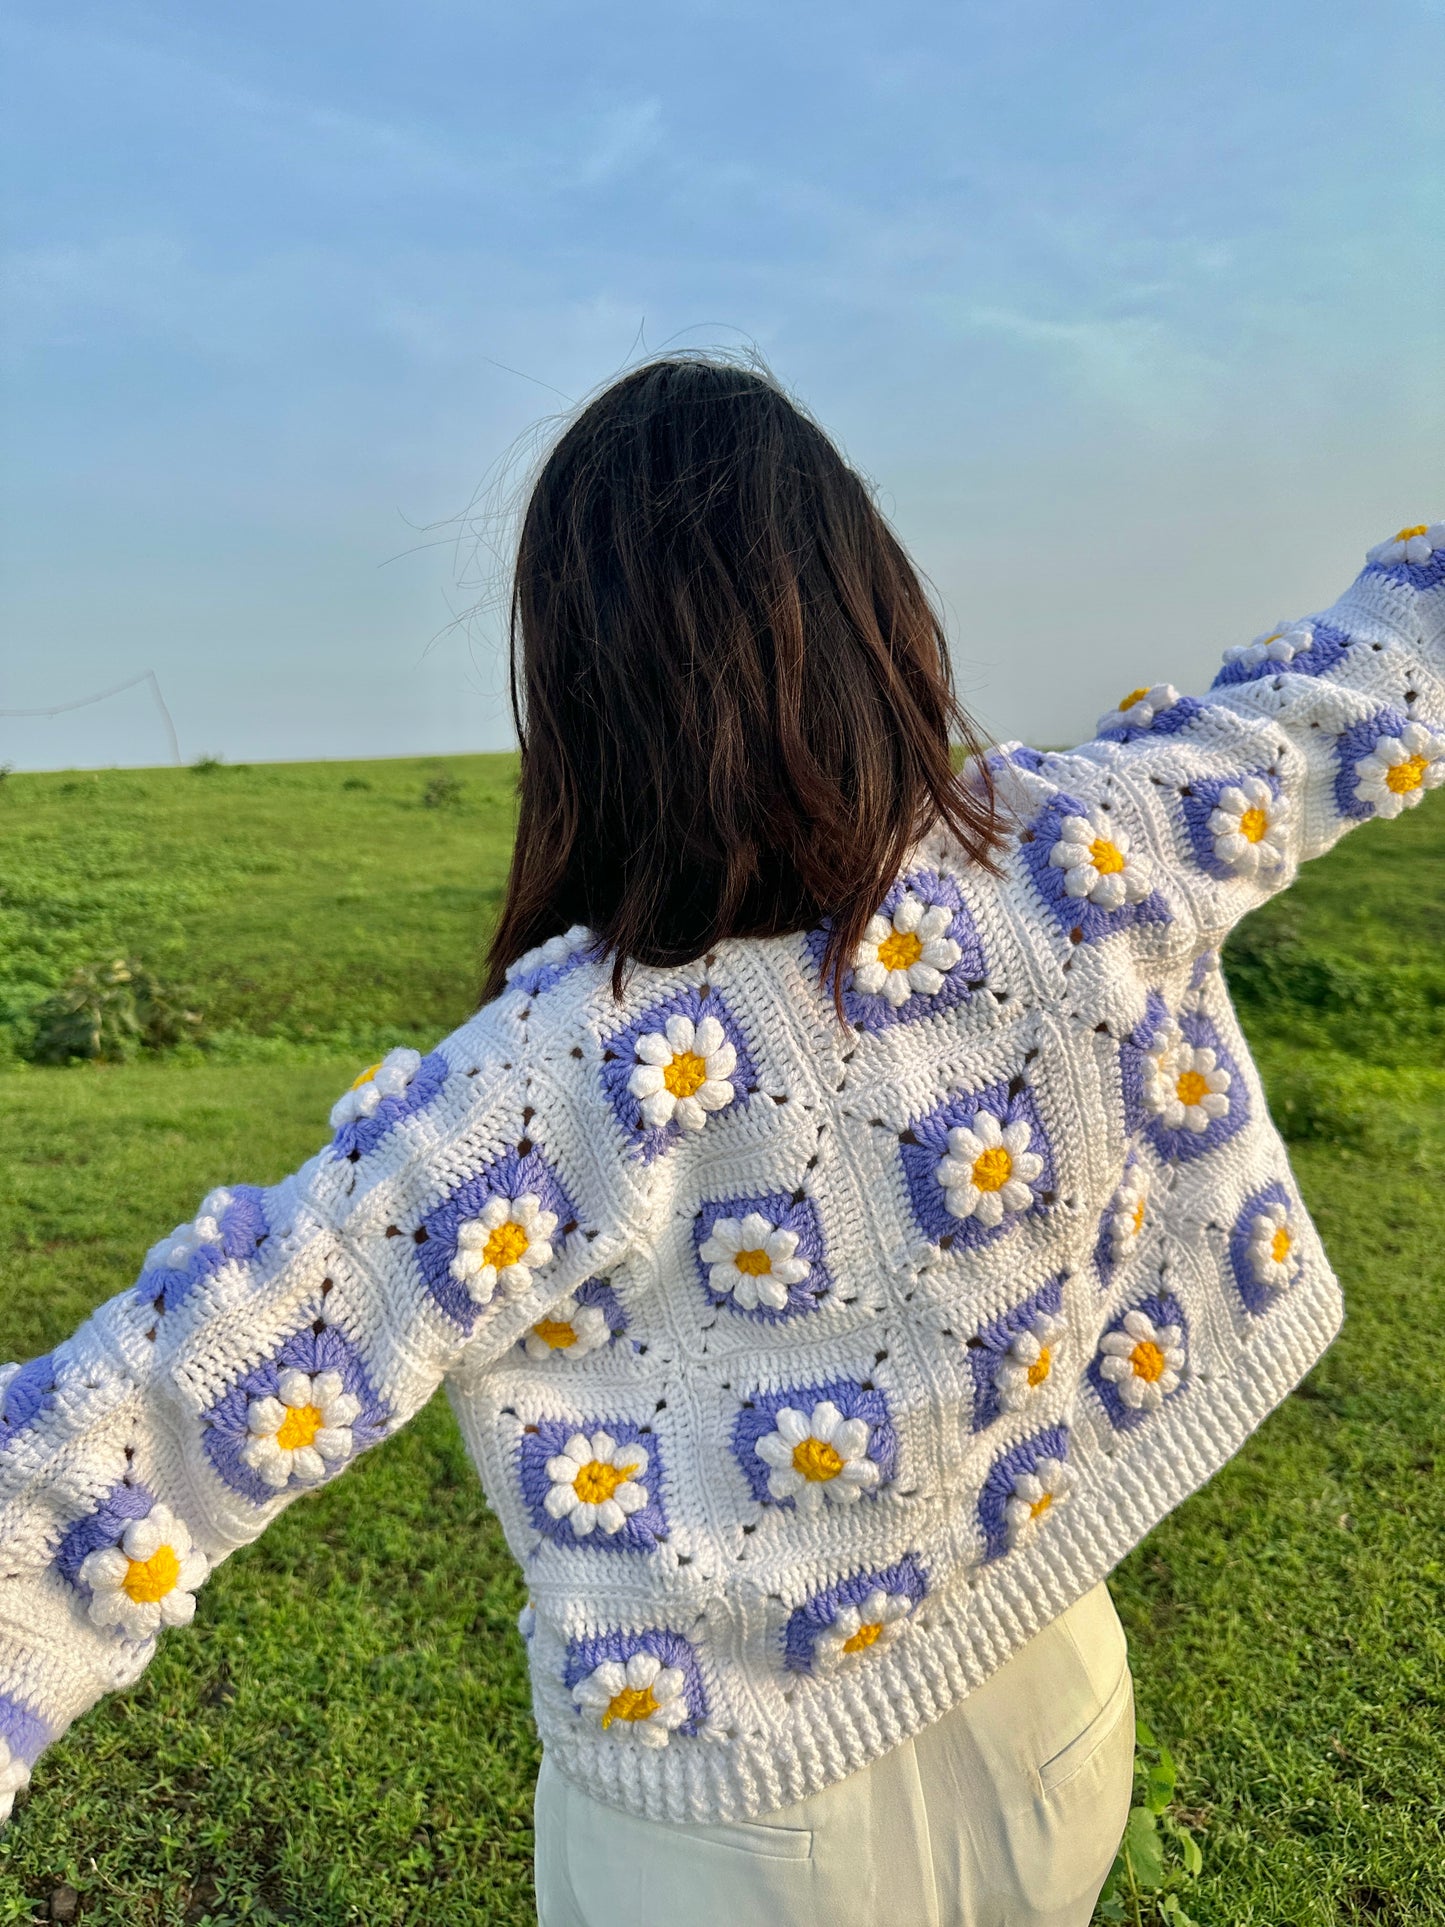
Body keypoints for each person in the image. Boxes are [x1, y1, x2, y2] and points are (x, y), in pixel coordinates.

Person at [1, 357, 1441, 1926]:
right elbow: (1375, 684)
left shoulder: (568, 1070)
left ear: (577, 686)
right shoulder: (1088, 847)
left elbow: (153, 1416)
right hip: (1056, 1709)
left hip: (731, 1833)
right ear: (876, 607)